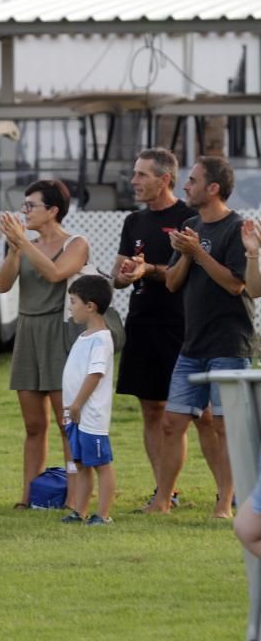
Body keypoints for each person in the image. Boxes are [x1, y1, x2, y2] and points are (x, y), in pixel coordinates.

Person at [112, 148, 224, 510]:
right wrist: (127, 272)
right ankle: (165, 494)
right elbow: (117, 278)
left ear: (165, 180)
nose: (134, 181)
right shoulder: (133, 222)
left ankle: (226, 495)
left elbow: (195, 273)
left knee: (204, 417)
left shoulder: (191, 217)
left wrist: (151, 270)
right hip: (143, 322)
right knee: (152, 411)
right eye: (134, 173)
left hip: (184, 326)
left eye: (142, 175)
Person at [147, 156, 252, 518]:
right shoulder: (192, 225)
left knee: (224, 427)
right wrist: (187, 255)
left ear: (213, 188)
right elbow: (173, 283)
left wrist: (198, 254)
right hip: (192, 346)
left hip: (228, 345)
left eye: (192, 180)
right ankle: (162, 500)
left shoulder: (236, 229)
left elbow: (237, 284)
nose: (185, 186)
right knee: (171, 423)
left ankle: (225, 503)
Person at [0, 180, 88, 510]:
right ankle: (28, 497)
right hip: (28, 332)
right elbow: (3, 284)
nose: (24, 212)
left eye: (31, 206)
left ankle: (75, 498)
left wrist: (24, 242)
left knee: (67, 425)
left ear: (52, 211)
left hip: (58, 332)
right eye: (23, 205)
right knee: (34, 426)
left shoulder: (76, 243)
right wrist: (15, 248)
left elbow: (55, 273)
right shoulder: (25, 244)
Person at [59, 275, 116, 526]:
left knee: (101, 464)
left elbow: (95, 374)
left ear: (90, 306)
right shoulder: (83, 337)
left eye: (73, 302)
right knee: (81, 464)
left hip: (89, 415)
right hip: (75, 414)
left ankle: (103, 514)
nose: (70, 307)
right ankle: (79, 511)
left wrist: (78, 404)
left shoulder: (101, 339)